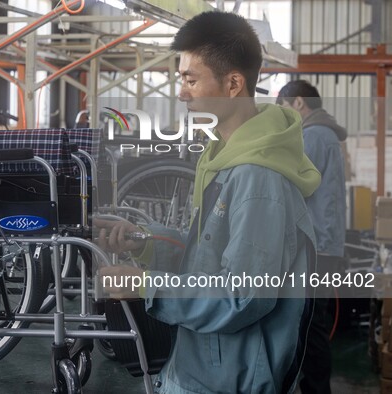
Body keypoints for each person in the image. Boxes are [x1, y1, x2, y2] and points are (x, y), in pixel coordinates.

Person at [95, 11, 322, 394]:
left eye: (191, 79)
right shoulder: (225, 156)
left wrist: (148, 285)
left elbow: (242, 295)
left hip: (231, 376)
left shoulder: (258, 178)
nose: (181, 92)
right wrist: (148, 241)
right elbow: (212, 251)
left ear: (233, 84)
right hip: (203, 362)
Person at [277, 80, 347, 394]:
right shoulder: (326, 134)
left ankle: (317, 390)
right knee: (310, 323)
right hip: (326, 243)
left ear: (299, 103)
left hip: (317, 244)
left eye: (285, 109)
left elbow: (294, 181)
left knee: (311, 325)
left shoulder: (314, 135)